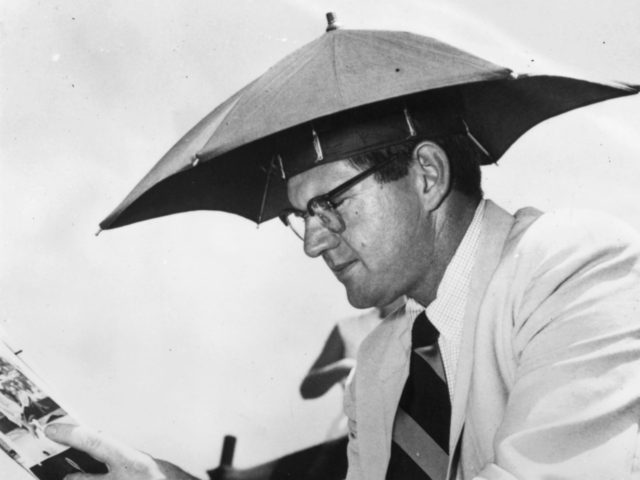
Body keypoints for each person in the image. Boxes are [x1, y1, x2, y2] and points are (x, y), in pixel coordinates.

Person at [45, 34, 640, 480]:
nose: (313, 241)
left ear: (427, 175)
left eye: (330, 205)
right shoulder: (381, 366)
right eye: (299, 216)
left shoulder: (573, 267)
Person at [300, 298, 404, 439]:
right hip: (357, 435)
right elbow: (307, 389)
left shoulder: (426, 319)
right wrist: (346, 367)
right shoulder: (349, 328)